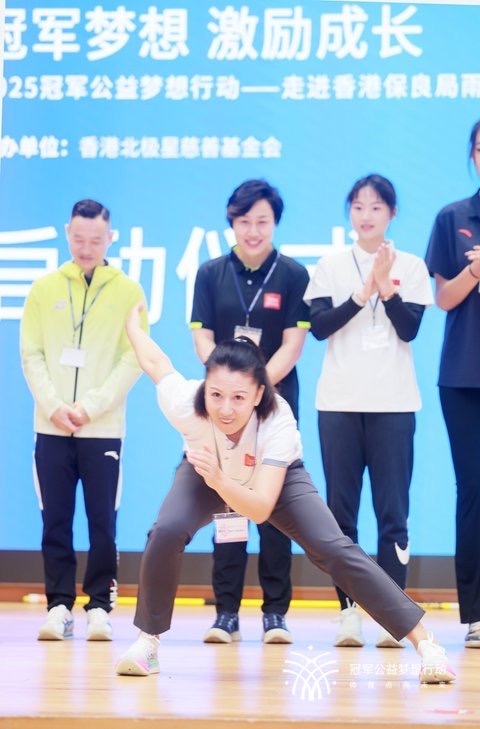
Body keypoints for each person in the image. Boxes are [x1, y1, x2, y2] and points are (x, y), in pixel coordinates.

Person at [115, 305, 454, 684]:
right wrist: (132, 324)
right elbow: (155, 361)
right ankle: (147, 641)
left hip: (273, 481)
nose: (225, 408)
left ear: (259, 393)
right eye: (216, 394)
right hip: (205, 470)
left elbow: (260, 509)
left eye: (238, 397)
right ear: (205, 386)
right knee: (166, 530)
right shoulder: (186, 403)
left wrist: (222, 482)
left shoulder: (277, 420)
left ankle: (427, 644)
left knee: (333, 548)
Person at [304, 174, 433, 649]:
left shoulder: (412, 266)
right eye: (358, 206)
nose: (366, 215)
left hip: (394, 405)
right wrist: (363, 292)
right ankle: (349, 613)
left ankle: (394, 617)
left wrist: (387, 289)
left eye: (376, 207)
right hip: (338, 404)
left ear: (392, 214)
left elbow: (409, 329)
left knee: (393, 514)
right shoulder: (330, 265)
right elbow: (319, 327)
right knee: (340, 516)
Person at [20, 198, 148, 642]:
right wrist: (54, 405)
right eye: (79, 238)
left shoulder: (129, 292)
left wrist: (91, 406)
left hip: (102, 429)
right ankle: (58, 606)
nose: (86, 247)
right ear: (66, 233)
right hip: (51, 427)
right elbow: (31, 353)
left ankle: (99, 607)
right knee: (55, 521)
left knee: (102, 523)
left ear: (110, 238)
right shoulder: (43, 289)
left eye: (96, 239)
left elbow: (133, 358)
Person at [190, 179, 310, 644]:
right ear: (232, 222)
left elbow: (292, 345)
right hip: (223, 409)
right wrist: (227, 388)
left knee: (275, 509)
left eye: (262, 221)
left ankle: (275, 613)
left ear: (275, 222)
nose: (253, 231)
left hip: (274, 404)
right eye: (244, 222)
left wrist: (256, 389)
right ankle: (226, 613)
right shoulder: (210, 273)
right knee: (228, 508)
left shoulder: (293, 274)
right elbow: (202, 337)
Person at [425, 120, 480, 648]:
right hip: (465, 377)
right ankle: (477, 614)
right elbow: (443, 298)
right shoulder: (453, 217)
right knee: (474, 490)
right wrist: (475, 273)